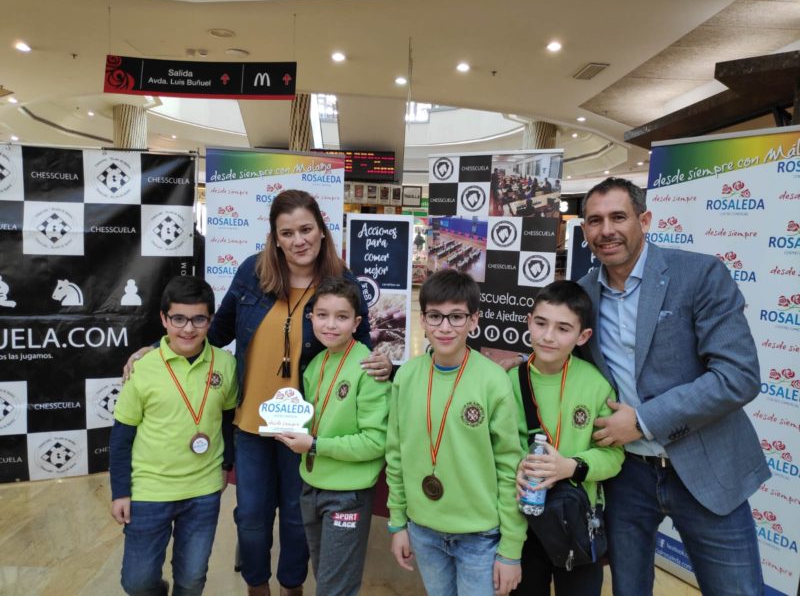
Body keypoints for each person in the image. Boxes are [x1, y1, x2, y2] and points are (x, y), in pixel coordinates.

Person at [124, 190, 392, 596]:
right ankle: (256, 584)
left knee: (298, 518)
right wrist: (159, 346)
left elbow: (362, 349)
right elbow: (215, 332)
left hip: (306, 426)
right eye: (287, 232)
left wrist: (384, 365)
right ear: (275, 237)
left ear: (322, 230)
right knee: (250, 515)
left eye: (306, 229)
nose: (298, 240)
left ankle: (291, 584)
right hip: (251, 422)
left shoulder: (342, 281)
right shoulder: (253, 272)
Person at [578, 177, 769, 595]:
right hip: (625, 475)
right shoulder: (582, 296)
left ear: (644, 220)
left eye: (618, 217)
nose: (606, 229)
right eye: (594, 220)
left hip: (705, 467)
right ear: (585, 230)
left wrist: (645, 421)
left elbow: (738, 376)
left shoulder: (698, 274)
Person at [386, 269, 526, 596]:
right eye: (435, 316)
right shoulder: (406, 377)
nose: (445, 327)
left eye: (456, 317)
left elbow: (511, 469)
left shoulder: (493, 381)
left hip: (480, 536)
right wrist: (398, 523)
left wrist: (511, 548)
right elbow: (396, 453)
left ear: (474, 321)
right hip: (423, 529)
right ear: (423, 320)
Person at [110, 275, 238, 596]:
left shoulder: (226, 365)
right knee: (137, 583)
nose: (188, 329)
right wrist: (120, 492)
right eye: (178, 318)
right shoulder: (143, 367)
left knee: (192, 579)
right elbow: (121, 436)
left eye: (199, 319)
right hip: (149, 490)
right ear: (164, 319)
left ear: (210, 320)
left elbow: (228, 420)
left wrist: (225, 466)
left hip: (203, 490)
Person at [275, 276, 389, 596]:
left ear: (357, 323)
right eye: (322, 315)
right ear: (311, 318)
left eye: (341, 317)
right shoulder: (314, 366)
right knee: (325, 576)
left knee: (334, 588)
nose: (330, 325)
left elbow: (374, 442)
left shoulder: (369, 368)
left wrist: (313, 444)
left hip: (347, 494)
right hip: (312, 486)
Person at [511, 280, 623, 596]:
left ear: (582, 336)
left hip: (577, 522)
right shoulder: (507, 382)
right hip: (523, 522)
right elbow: (496, 449)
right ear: (529, 321)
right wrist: (517, 466)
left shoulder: (597, 385)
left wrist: (571, 466)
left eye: (563, 328)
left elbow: (614, 456)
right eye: (541, 323)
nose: (548, 336)